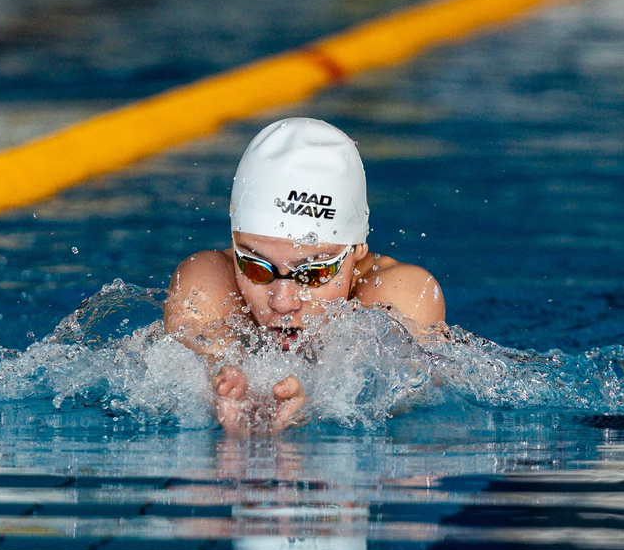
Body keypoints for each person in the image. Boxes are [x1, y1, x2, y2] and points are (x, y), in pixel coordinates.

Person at [164, 118, 446, 436]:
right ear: (233, 243)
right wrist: (225, 391)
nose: (283, 302)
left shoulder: (400, 291)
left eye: (314, 273)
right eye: (256, 267)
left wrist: (315, 405)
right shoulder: (208, 279)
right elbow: (193, 371)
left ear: (357, 249)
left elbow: (408, 395)